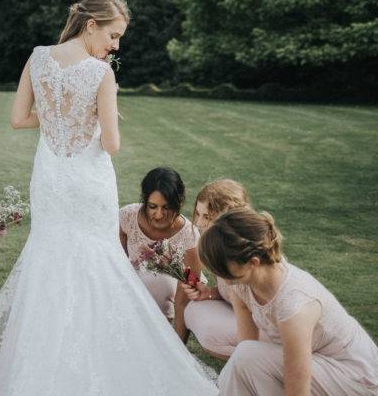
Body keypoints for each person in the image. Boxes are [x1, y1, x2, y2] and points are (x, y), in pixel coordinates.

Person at [0, 0, 218, 394]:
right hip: (87, 177)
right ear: (91, 25)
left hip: (50, 176)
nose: (115, 45)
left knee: (48, 255)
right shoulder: (100, 74)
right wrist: (96, 118)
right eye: (113, 35)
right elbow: (111, 144)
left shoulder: (38, 57)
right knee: (98, 258)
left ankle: (40, 366)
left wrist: (57, 120)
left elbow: (18, 119)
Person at [198, 208, 378, 395]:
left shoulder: (294, 304)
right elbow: (246, 349)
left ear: (253, 263)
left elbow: (297, 389)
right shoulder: (242, 283)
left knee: (248, 356)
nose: (219, 276)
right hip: (318, 364)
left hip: (359, 379)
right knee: (245, 357)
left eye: (222, 269)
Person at [179, 179, 270, 359]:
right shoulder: (218, 245)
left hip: (265, 327)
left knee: (210, 333)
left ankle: (265, 363)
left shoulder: (246, 252)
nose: (198, 223)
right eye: (198, 214)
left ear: (228, 217)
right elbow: (233, 292)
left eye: (207, 216)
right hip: (239, 314)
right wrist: (210, 293)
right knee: (193, 309)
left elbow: (265, 310)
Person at [119, 167, 201, 321]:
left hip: (171, 290)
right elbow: (117, 262)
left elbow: (193, 283)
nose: (159, 215)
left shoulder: (189, 234)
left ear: (179, 202)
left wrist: (172, 263)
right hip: (132, 282)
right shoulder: (127, 216)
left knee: (156, 282)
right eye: (152, 206)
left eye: (167, 207)